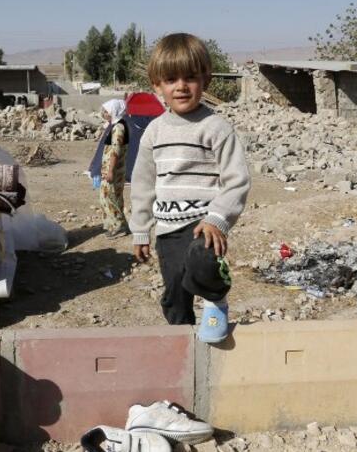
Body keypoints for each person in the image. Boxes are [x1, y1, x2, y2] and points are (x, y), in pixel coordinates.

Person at [130, 33, 250, 344]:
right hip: (167, 227)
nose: (181, 86)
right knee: (174, 292)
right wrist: (141, 230)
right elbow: (143, 184)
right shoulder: (154, 132)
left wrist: (217, 219)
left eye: (190, 77)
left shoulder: (216, 129)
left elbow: (236, 179)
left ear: (205, 80)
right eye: (171, 79)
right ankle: (179, 337)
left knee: (203, 263)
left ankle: (215, 303)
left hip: (203, 224)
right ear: (157, 85)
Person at [99, 99, 130, 238]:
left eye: (107, 111)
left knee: (108, 197)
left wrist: (110, 170)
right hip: (114, 170)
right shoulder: (117, 125)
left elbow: (115, 151)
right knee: (114, 198)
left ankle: (119, 227)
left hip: (114, 171)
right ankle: (117, 225)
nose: (104, 113)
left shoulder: (119, 128)